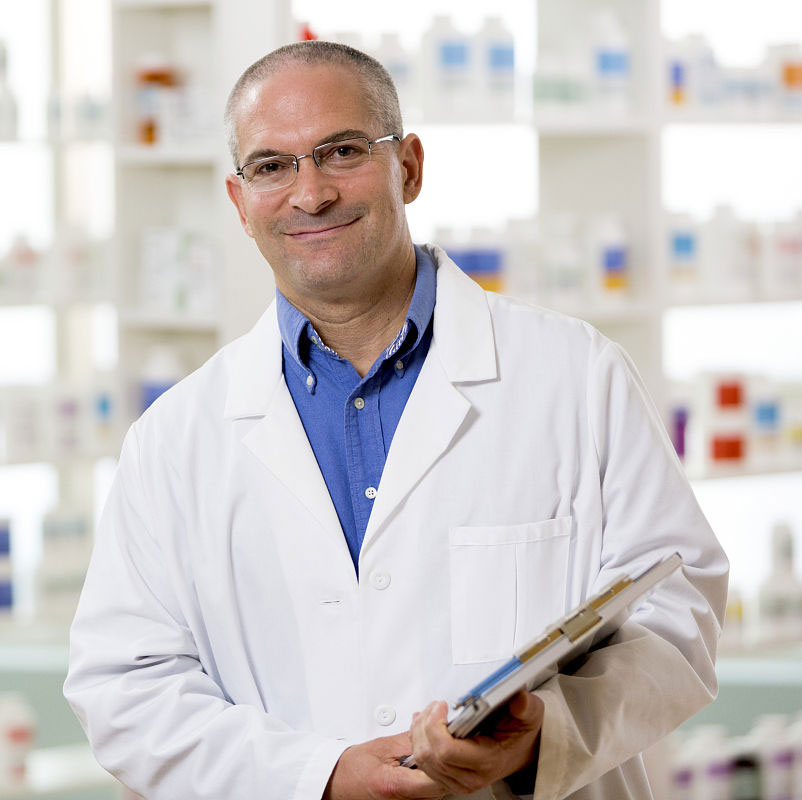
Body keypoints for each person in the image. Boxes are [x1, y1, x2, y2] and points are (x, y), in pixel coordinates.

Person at [64, 41, 728, 800]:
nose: (310, 194)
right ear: (240, 202)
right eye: (271, 166)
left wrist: (544, 734)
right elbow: (124, 688)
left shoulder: (577, 376)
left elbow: (677, 612)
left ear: (408, 167)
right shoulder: (174, 438)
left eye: (342, 151)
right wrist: (319, 776)